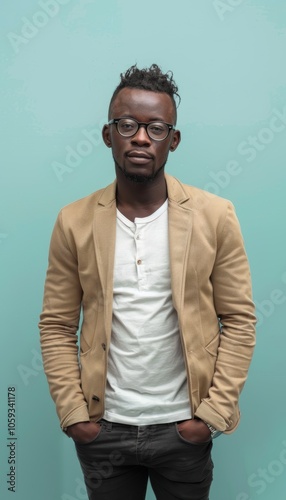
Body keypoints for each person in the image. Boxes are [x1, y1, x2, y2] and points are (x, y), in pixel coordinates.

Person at [39, 64, 256, 500]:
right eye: (127, 125)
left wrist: (210, 416)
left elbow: (239, 321)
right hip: (104, 431)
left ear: (172, 141)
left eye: (156, 128)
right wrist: (74, 415)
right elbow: (57, 326)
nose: (141, 137)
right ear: (108, 135)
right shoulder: (73, 221)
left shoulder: (215, 216)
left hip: (184, 430)